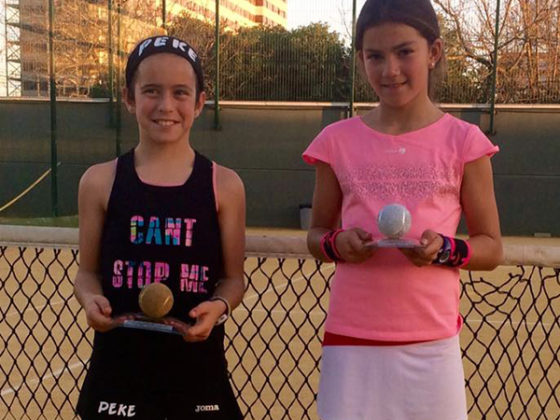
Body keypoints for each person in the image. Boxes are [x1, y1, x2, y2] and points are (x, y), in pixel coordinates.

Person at [303, 1, 503, 419]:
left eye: (404, 52)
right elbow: (317, 233)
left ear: (433, 52)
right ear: (361, 59)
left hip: (432, 345)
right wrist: (338, 244)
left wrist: (445, 250)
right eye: (375, 56)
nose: (389, 69)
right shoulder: (335, 141)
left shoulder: (465, 141)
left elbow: (491, 247)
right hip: (350, 342)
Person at [74, 35, 245, 420]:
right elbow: (87, 273)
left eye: (181, 92)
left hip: (198, 371)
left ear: (200, 102)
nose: (166, 106)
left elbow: (234, 280)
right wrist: (90, 300)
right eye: (151, 91)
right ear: (129, 98)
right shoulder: (100, 181)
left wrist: (217, 307)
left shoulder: (224, 185)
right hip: (118, 371)